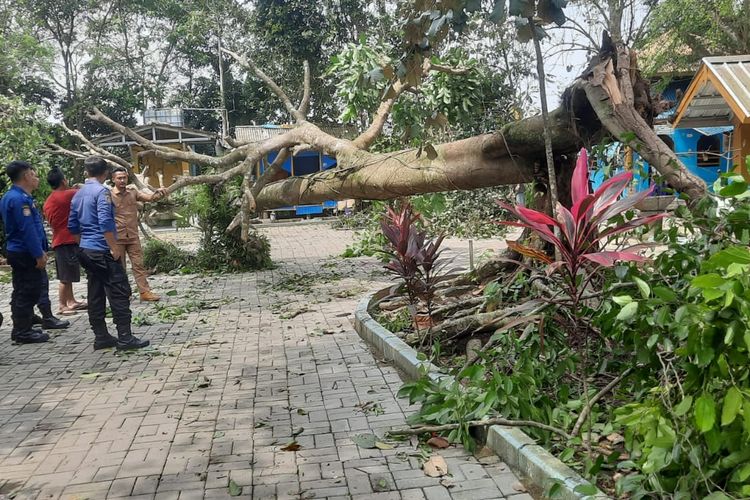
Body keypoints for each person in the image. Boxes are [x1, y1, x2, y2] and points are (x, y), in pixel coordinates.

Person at [68, 157, 149, 351]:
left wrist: (83, 245)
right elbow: (105, 222)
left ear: (87, 172)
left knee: (95, 292)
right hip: (101, 249)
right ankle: (125, 338)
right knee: (119, 292)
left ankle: (101, 336)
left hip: (86, 250)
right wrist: (113, 248)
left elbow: (72, 225)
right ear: (105, 173)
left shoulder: (78, 194)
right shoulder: (102, 192)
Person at [0, 160, 50, 343]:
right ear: (26, 175)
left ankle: (23, 326)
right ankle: (22, 332)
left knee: (21, 289)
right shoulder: (19, 199)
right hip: (25, 252)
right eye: (33, 174)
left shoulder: (13, 196)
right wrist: (38, 253)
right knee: (28, 290)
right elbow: (27, 230)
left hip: (19, 250)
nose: (36, 177)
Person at [110, 166, 167, 302]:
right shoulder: (108, 195)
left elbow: (149, 198)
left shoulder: (133, 192)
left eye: (124, 177)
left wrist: (159, 193)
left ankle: (144, 292)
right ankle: (124, 293)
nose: (122, 180)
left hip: (133, 236)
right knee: (120, 268)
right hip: (117, 237)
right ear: (113, 179)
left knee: (139, 265)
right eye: (119, 178)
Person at [43, 167, 87, 314]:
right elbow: (86, 191)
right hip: (66, 240)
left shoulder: (50, 198)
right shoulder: (67, 195)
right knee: (65, 276)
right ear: (63, 180)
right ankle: (62, 305)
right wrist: (80, 186)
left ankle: (71, 301)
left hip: (60, 239)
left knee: (68, 272)